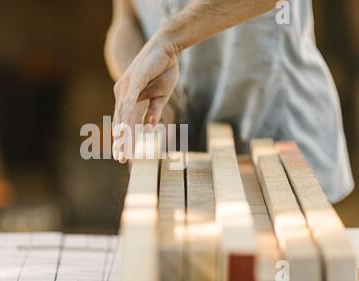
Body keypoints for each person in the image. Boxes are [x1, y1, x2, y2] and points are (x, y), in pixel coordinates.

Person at [104, 0, 354, 203]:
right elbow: (125, 20)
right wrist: (142, 89)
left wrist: (168, 41)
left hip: (279, 138)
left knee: (294, 257)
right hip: (186, 153)